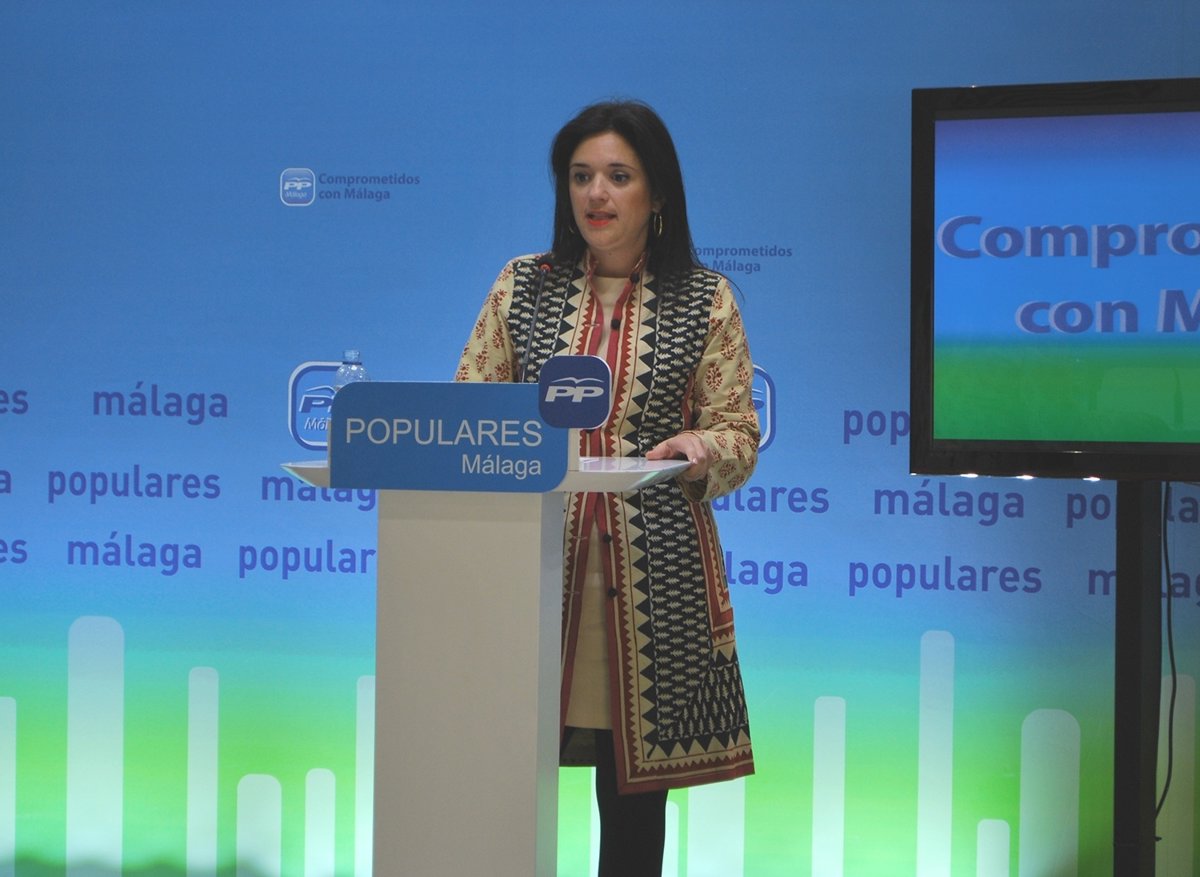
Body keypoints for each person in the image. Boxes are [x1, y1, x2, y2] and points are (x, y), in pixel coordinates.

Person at [456, 99, 758, 875]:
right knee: (497, 794)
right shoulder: (522, 286)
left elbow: (738, 432)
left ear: (657, 192)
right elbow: (468, 412)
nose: (596, 193)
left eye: (618, 176)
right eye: (581, 176)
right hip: (532, 580)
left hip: (654, 591)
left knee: (632, 818)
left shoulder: (705, 298)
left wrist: (700, 447)